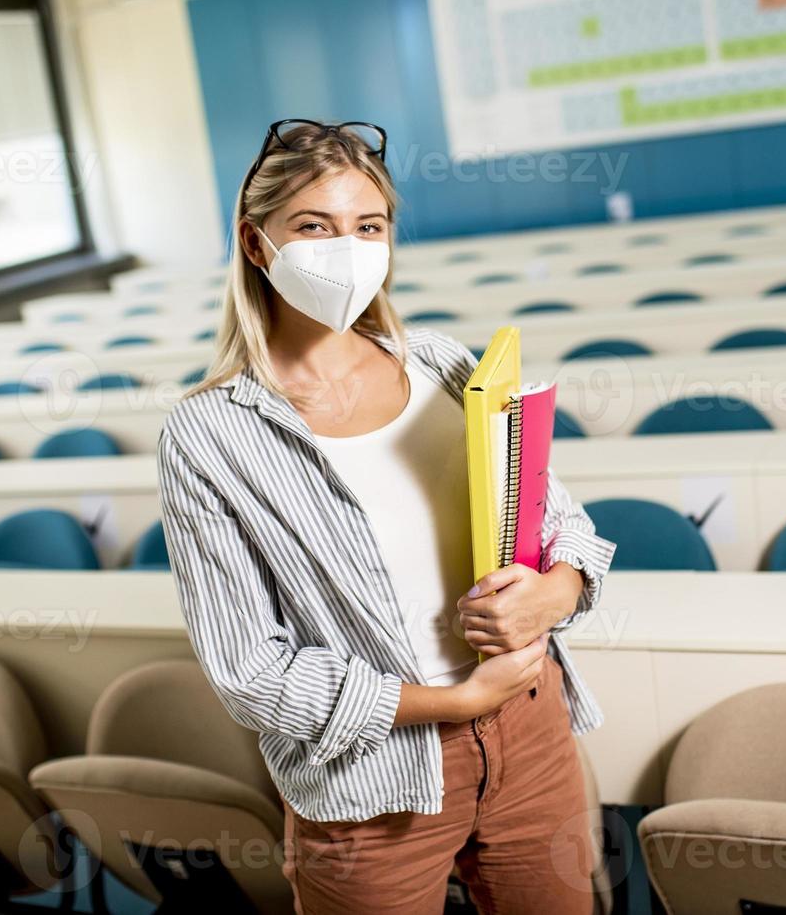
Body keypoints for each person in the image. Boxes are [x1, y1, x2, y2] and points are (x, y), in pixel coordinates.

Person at [156, 118, 618, 914]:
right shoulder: (209, 436)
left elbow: (561, 525)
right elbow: (251, 675)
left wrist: (560, 590)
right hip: (370, 779)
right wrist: (456, 703)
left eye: (368, 226)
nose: (348, 248)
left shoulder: (446, 365)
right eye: (315, 226)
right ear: (257, 243)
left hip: (530, 729)